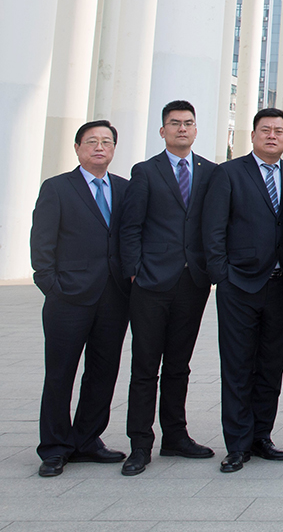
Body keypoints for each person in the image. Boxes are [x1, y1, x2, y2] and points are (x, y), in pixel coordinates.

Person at [118, 101, 216, 476]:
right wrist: (134, 272)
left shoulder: (210, 172)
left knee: (178, 365)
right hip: (151, 283)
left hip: (192, 283)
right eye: (174, 123)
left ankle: (175, 436)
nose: (182, 129)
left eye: (188, 123)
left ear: (196, 130)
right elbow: (131, 226)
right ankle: (140, 444)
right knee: (145, 366)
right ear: (163, 131)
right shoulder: (145, 171)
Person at [31, 120, 131, 477]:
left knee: (103, 372)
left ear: (114, 149)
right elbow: (42, 243)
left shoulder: (125, 189)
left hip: (114, 298)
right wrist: (52, 286)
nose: (99, 147)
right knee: (61, 374)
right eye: (91, 141)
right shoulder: (57, 188)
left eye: (107, 142)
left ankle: (87, 440)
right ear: (77, 148)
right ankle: (55, 448)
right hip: (68, 299)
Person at [203, 108, 283, 473]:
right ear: (253, 135)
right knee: (238, 366)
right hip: (239, 285)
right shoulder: (228, 173)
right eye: (265, 130)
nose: (272, 136)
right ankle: (238, 444)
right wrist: (222, 276)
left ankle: (261, 436)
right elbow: (213, 228)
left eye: (279, 131)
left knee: (271, 366)